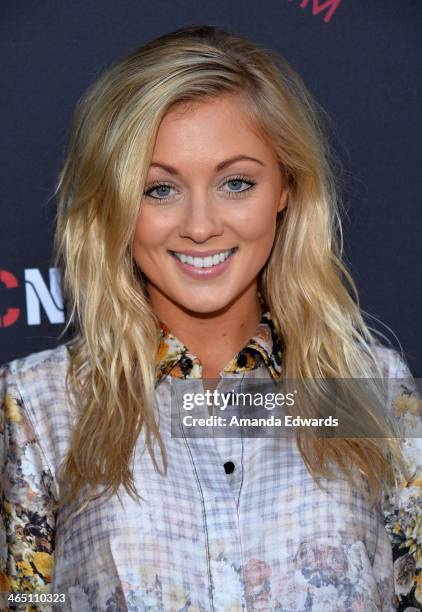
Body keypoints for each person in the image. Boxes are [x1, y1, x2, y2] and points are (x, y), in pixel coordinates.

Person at [1, 24, 421, 612]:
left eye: (236, 183)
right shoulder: (42, 407)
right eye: (159, 190)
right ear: (116, 203)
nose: (200, 226)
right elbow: (23, 600)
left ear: (286, 190)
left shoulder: (371, 393)